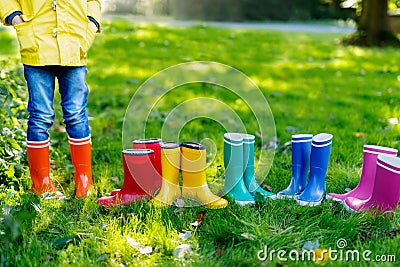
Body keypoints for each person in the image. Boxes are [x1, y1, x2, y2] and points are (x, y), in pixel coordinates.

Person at [0, 1, 101, 199]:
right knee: (40, 115)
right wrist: (15, 18)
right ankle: (41, 184)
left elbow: (93, 2)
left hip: (74, 43)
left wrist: (91, 23)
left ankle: (84, 181)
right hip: (36, 43)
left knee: (76, 114)